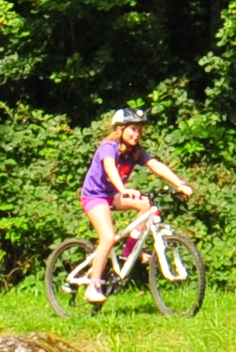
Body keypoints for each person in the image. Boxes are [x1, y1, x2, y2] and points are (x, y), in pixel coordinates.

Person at [72, 107, 192, 297]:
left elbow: (156, 166)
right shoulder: (108, 147)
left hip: (113, 195)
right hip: (95, 196)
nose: (137, 134)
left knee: (146, 205)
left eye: (140, 130)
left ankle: (128, 254)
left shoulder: (135, 152)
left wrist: (180, 184)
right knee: (108, 237)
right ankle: (93, 287)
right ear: (120, 129)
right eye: (133, 129)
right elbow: (110, 168)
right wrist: (124, 190)